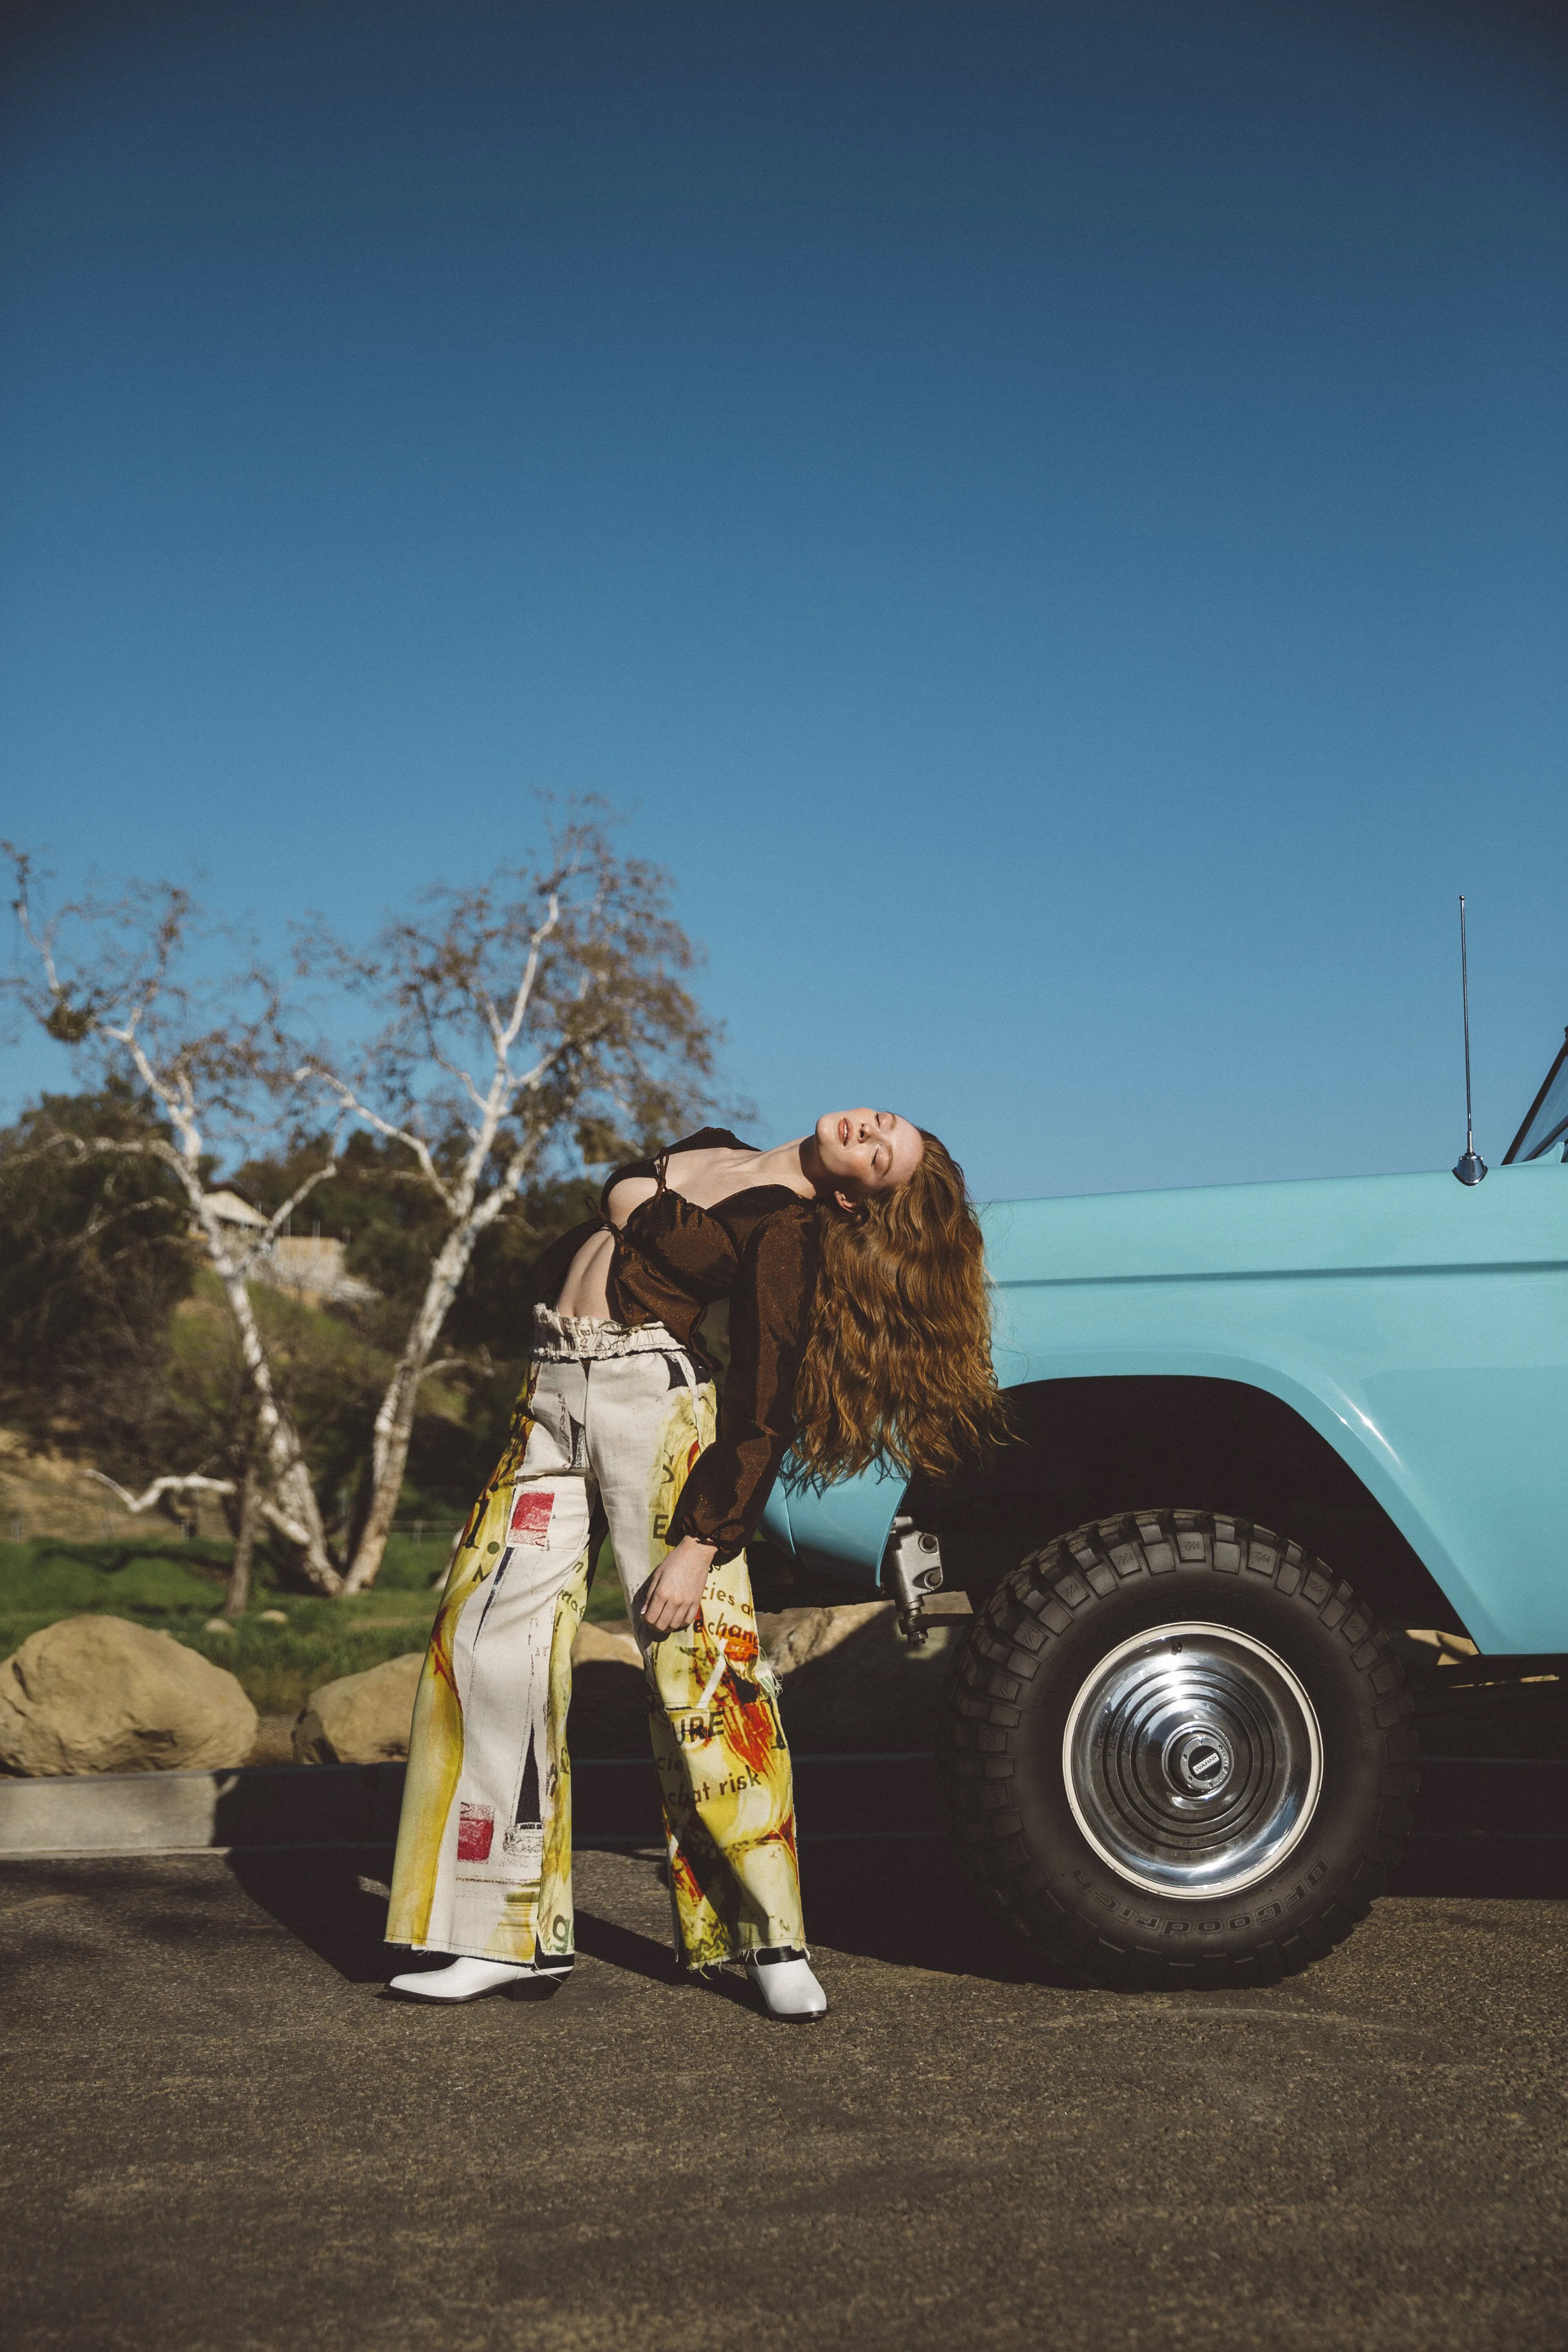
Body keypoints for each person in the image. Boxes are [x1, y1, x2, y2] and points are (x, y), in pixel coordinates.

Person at [385, 1108, 1004, 2018]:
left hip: (654, 1403)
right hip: (550, 1390)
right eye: (886, 1127)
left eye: (882, 1158)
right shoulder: (714, 1147)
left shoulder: (789, 1232)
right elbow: (625, 1191)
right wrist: (632, 1192)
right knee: (483, 1649)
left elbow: (765, 1400)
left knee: (703, 1668)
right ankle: (498, 1936)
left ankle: (770, 1940)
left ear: (851, 1199)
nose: (871, 1135)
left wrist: (701, 1545)